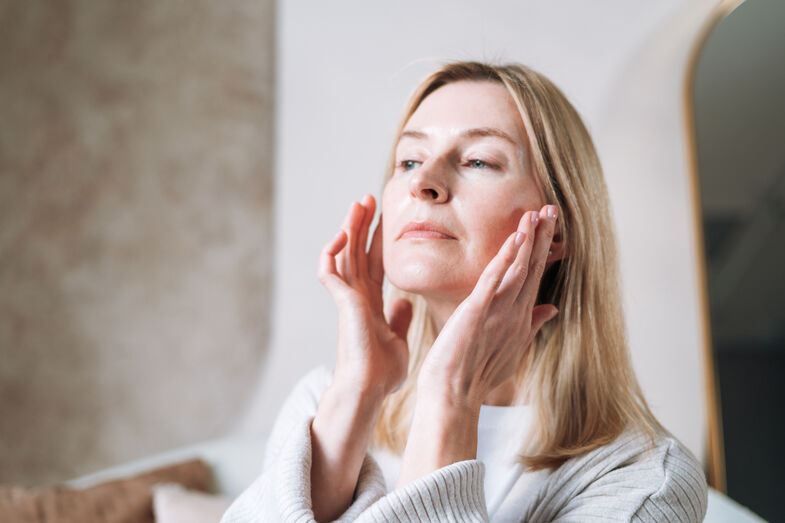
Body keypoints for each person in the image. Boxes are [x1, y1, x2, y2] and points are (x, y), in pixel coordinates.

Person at [221, 61, 708, 522]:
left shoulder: (642, 481)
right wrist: (356, 393)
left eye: (478, 160)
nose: (423, 182)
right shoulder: (320, 403)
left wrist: (450, 399)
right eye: (409, 160)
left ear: (556, 230)